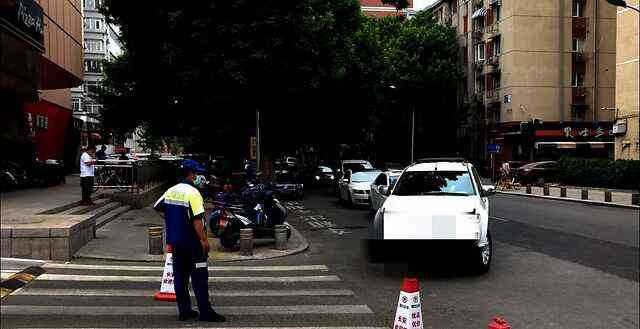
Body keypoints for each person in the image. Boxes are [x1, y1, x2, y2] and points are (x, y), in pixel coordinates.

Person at [153, 159, 225, 323]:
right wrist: (205, 241)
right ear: (191, 174)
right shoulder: (193, 193)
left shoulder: (171, 190)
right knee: (199, 278)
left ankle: (184, 311)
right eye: (198, 173)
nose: (200, 177)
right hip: (193, 243)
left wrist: (172, 219)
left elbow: (157, 206)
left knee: (180, 278)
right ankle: (206, 313)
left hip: (176, 242)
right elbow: (198, 220)